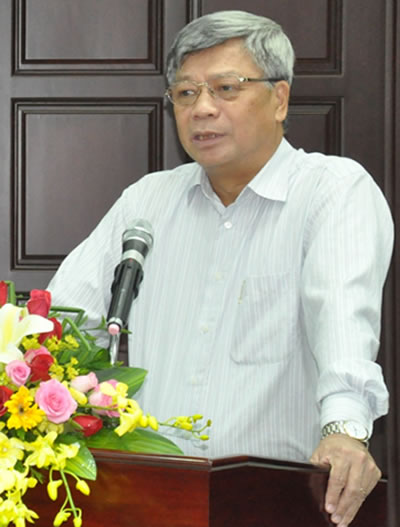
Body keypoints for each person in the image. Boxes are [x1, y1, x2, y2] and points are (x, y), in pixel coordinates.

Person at [48, 10, 394, 527]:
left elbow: (343, 322)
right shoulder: (147, 201)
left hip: (276, 501)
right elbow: (63, 326)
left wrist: (345, 431)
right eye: (185, 93)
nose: (202, 109)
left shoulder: (332, 192)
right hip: (151, 497)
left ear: (280, 99)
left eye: (226, 88)